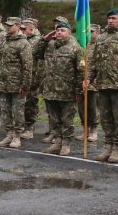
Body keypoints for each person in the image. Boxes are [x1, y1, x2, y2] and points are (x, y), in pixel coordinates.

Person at [85, 8, 118, 164]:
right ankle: (107, 146)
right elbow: (94, 60)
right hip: (102, 83)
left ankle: (116, 148)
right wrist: (89, 78)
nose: (110, 20)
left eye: (114, 18)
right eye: (108, 18)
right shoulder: (101, 37)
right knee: (106, 118)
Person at [35, 19, 83, 156]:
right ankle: (57, 141)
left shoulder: (75, 48)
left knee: (67, 120)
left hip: (67, 91)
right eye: (57, 30)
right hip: (50, 89)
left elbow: (81, 71)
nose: (59, 32)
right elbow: (35, 53)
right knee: (54, 119)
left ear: (69, 32)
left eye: (62, 30)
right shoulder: (50, 45)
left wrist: (79, 90)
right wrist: (44, 39)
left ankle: (66, 144)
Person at [0, 17, 33, 149]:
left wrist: (25, 85)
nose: (8, 27)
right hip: (4, 83)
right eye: (7, 25)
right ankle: (9, 134)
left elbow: (27, 66)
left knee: (17, 111)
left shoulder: (23, 44)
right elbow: (0, 62)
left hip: (17, 84)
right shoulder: (5, 41)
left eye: (11, 25)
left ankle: (17, 136)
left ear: (18, 26)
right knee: (5, 111)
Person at [21, 18, 43, 139]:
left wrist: (37, 78)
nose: (22, 30)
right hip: (22, 76)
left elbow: (40, 62)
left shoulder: (38, 40)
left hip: (33, 76)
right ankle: (22, 125)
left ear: (31, 28)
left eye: (24, 29)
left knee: (30, 102)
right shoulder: (23, 39)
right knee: (22, 103)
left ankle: (29, 127)